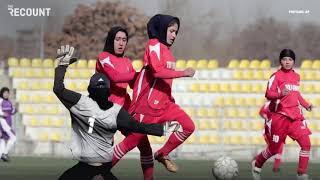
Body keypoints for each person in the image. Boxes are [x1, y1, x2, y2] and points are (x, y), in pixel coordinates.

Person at [54, 45, 172, 180]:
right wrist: (163, 129)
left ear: (89, 90)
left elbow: (58, 89)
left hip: (83, 169)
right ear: (108, 91)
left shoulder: (80, 103)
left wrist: (62, 66)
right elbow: (139, 127)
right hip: (102, 170)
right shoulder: (115, 111)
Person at [111, 14, 196, 179]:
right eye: (171, 31)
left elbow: (164, 80)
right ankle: (98, 171)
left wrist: (168, 97)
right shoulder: (154, 44)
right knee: (130, 143)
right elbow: (157, 72)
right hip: (147, 106)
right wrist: (183, 73)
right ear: (162, 29)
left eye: (176, 32)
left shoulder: (168, 52)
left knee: (189, 126)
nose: (173, 35)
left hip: (165, 105)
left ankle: (163, 153)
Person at [252, 49, 313, 180]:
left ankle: (301, 173)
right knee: (274, 149)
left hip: (295, 117)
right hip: (280, 117)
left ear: (293, 62)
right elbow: (268, 94)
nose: (287, 62)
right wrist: (280, 94)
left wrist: (306, 105)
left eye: (290, 60)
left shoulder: (296, 76)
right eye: (285, 59)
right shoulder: (276, 76)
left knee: (306, 144)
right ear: (281, 61)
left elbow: (296, 95)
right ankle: (257, 164)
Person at [95, 26, 137, 110]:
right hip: (106, 109)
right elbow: (115, 77)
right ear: (111, 40)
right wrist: (141, 73)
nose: (121, 43)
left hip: (124, 109)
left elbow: (135, 84)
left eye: (124, 40)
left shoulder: (127, 61)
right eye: (117, 39)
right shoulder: (104, 57)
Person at [259, 101, 284, 172]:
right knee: (273, 150)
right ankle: (257, 160)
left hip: (278, 131)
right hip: (268, 131)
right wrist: (267, 118)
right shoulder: (268, 103)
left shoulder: (283, 103)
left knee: (280, 146)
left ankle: (276, 167)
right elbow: (261, 112)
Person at [0, 87, 17, 162]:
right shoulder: (0, 101)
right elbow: (1, 113)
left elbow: (11, 111)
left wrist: (15, 110)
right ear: (2, 93)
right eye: (5, 93)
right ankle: (5, 154)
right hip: (3, 123)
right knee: (13, 137)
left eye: (7, 93)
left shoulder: (9, 102)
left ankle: (1, 155)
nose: (6, 94)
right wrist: (2, 114)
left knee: (2, 140)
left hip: (8, 123)